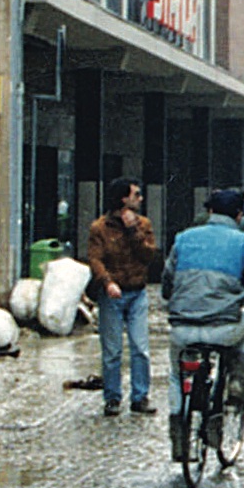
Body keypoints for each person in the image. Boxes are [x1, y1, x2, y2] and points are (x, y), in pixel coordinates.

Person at [161, 188, 244, 462]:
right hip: (225, 329)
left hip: (182, 328)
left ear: (209, 211)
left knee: (176, 375)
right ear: (239, 215)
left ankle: (179, 437)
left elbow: (166, 284)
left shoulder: (183, 239)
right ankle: (238, 378)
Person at [86, 177, 158, 416]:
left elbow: (149, 255)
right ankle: (112, 397)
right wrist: (107, 282)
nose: (140, 199)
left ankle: (140, 397)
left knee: (140, 347)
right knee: (112, 350)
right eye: (136, 195)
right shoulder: (100, 228)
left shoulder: (143, 224)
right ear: (123, 199)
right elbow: (95, 259)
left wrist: (134, 231)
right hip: (113, 293)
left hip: (137, 291)